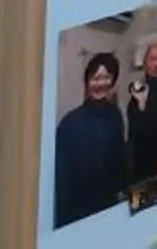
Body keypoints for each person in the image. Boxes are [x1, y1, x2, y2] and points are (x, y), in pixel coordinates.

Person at [52, 53, 130, 226]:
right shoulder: (69, 123)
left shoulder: (115, 115)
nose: (101, 83)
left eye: (107, 77)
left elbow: (120, 160)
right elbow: (62, 182)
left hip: (110, 208)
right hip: (79, 214)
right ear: (87, 82)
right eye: (96, 78)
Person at [123, 38, 157, 177]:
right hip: (144, 160)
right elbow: (134, 131)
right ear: (145, 62)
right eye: (153, 59)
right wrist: (141, 103)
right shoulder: (139, 89)